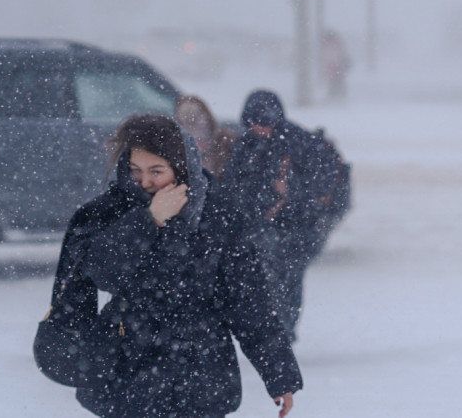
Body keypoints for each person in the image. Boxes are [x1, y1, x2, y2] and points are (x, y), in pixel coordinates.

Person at [60, 114, 302, 417]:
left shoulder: (219, 216)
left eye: (156, 171)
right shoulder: (116, 208)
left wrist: (279, 374)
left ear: (182, 167)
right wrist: (148, 221)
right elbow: (101, 272)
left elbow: (249, 304)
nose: (145, 181)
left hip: (201, 376)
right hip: (128, 373)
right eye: (136, 170)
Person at [223, 90, 338, 342]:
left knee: (288, 280)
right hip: (260, 227)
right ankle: (273, 330)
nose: (260, 129)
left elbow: (323, 183)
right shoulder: (246, 145)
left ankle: (283, 331)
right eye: (254, 123)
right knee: (264, 282)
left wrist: (290, 191)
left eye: (264, 123)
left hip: (297, 226)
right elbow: (233, 184)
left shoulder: (299, 142)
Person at [174, 95, 238, 180]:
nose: (196, 133)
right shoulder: (175, 150)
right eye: (187, 124)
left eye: (198, 122)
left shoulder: (228, 142)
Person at [320, 30, 351, 100]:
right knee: (337, 81)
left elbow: (328, 56)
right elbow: (340, 54)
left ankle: (336, 94)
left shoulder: (328, 44)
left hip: (333, 66)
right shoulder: (336, 43)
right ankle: (339, 94)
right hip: (336, 67)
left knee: (335, 81)